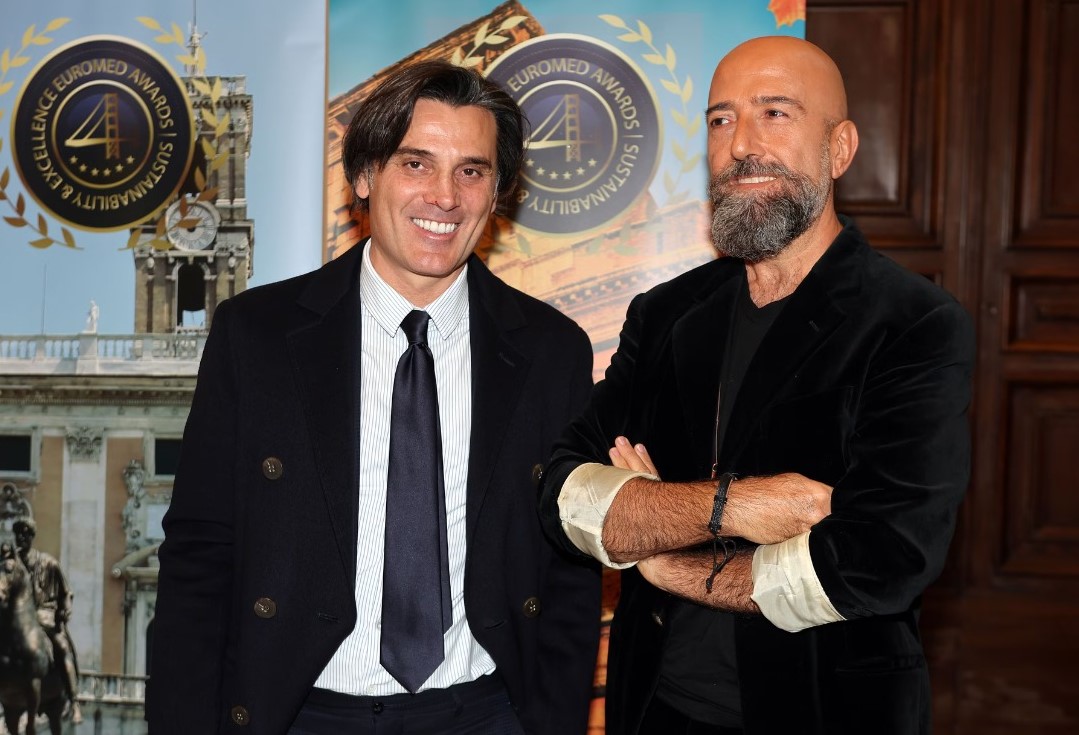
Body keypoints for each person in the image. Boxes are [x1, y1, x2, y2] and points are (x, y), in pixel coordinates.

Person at [146, 60, 600, 735]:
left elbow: (568, 571)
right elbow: (199, 557)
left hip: (485, 715)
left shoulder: (550, 351)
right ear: (363, 176)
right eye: (416, 164)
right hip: (301, 716)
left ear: (496, 193)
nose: (444, 197)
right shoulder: (258, 337)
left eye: (471, 171)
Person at [539, 36, 975, 735]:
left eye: (774, 113)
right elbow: (562, 493)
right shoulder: (666, 313)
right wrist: (733, 507)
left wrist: (662, 556)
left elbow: (882, 560)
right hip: (655, 709)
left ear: (839, 149)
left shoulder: (913, 324)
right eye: (720, 119)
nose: (740, 144)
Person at [12, 518, 82, 724]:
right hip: (19, 617)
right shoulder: (11, 565)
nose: (21, 537)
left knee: (62, 647)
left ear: (32, 536)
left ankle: (74, 701)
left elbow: (66, 592)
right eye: (18, 533)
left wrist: (66, 608)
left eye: (26, 533)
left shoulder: (49, 563)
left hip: (44, 615)